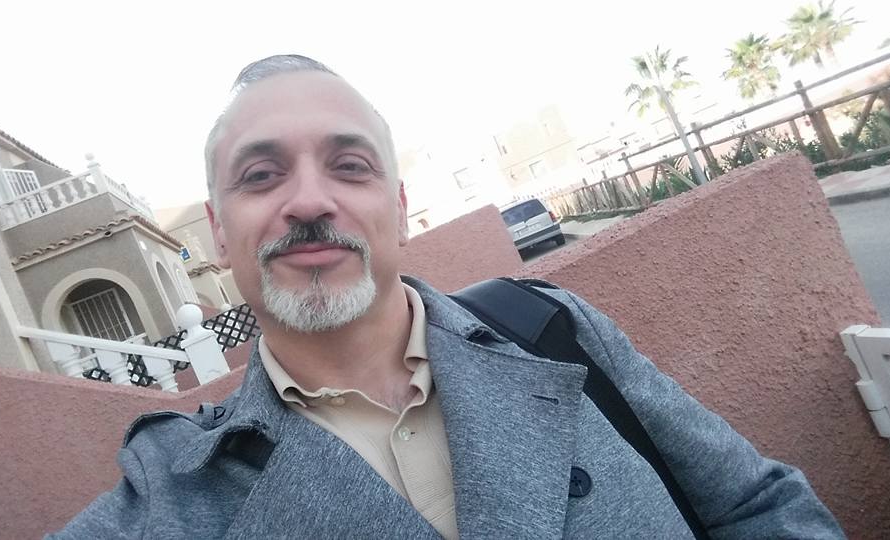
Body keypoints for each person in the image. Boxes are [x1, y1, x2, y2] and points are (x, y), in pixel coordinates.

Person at [51, 55, 844, 539]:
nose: (310, 201)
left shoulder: (553, 330)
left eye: (349, 166)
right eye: (261, 175)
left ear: (398, 209)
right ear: (221, 232)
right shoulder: (176, 490)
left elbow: (760, 507)